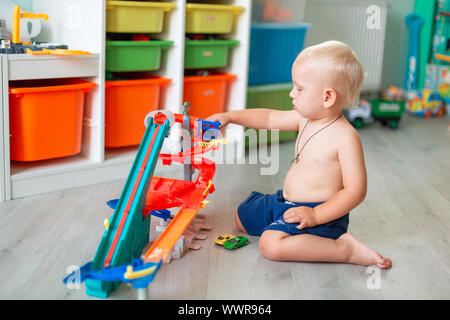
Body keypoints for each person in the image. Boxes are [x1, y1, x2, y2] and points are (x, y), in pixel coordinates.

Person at [205, 40, 392, 269]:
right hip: (285, 201)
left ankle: (345, 250)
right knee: (241, 215)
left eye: (299, 88)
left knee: (270, 245)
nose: (292, 93)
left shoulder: (345, 137)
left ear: (327, 97)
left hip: (320, 214)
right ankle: (284, 226)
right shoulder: (305, 118)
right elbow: (269, 118)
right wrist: (231, 117)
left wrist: (315, 216)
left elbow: (356, 191)